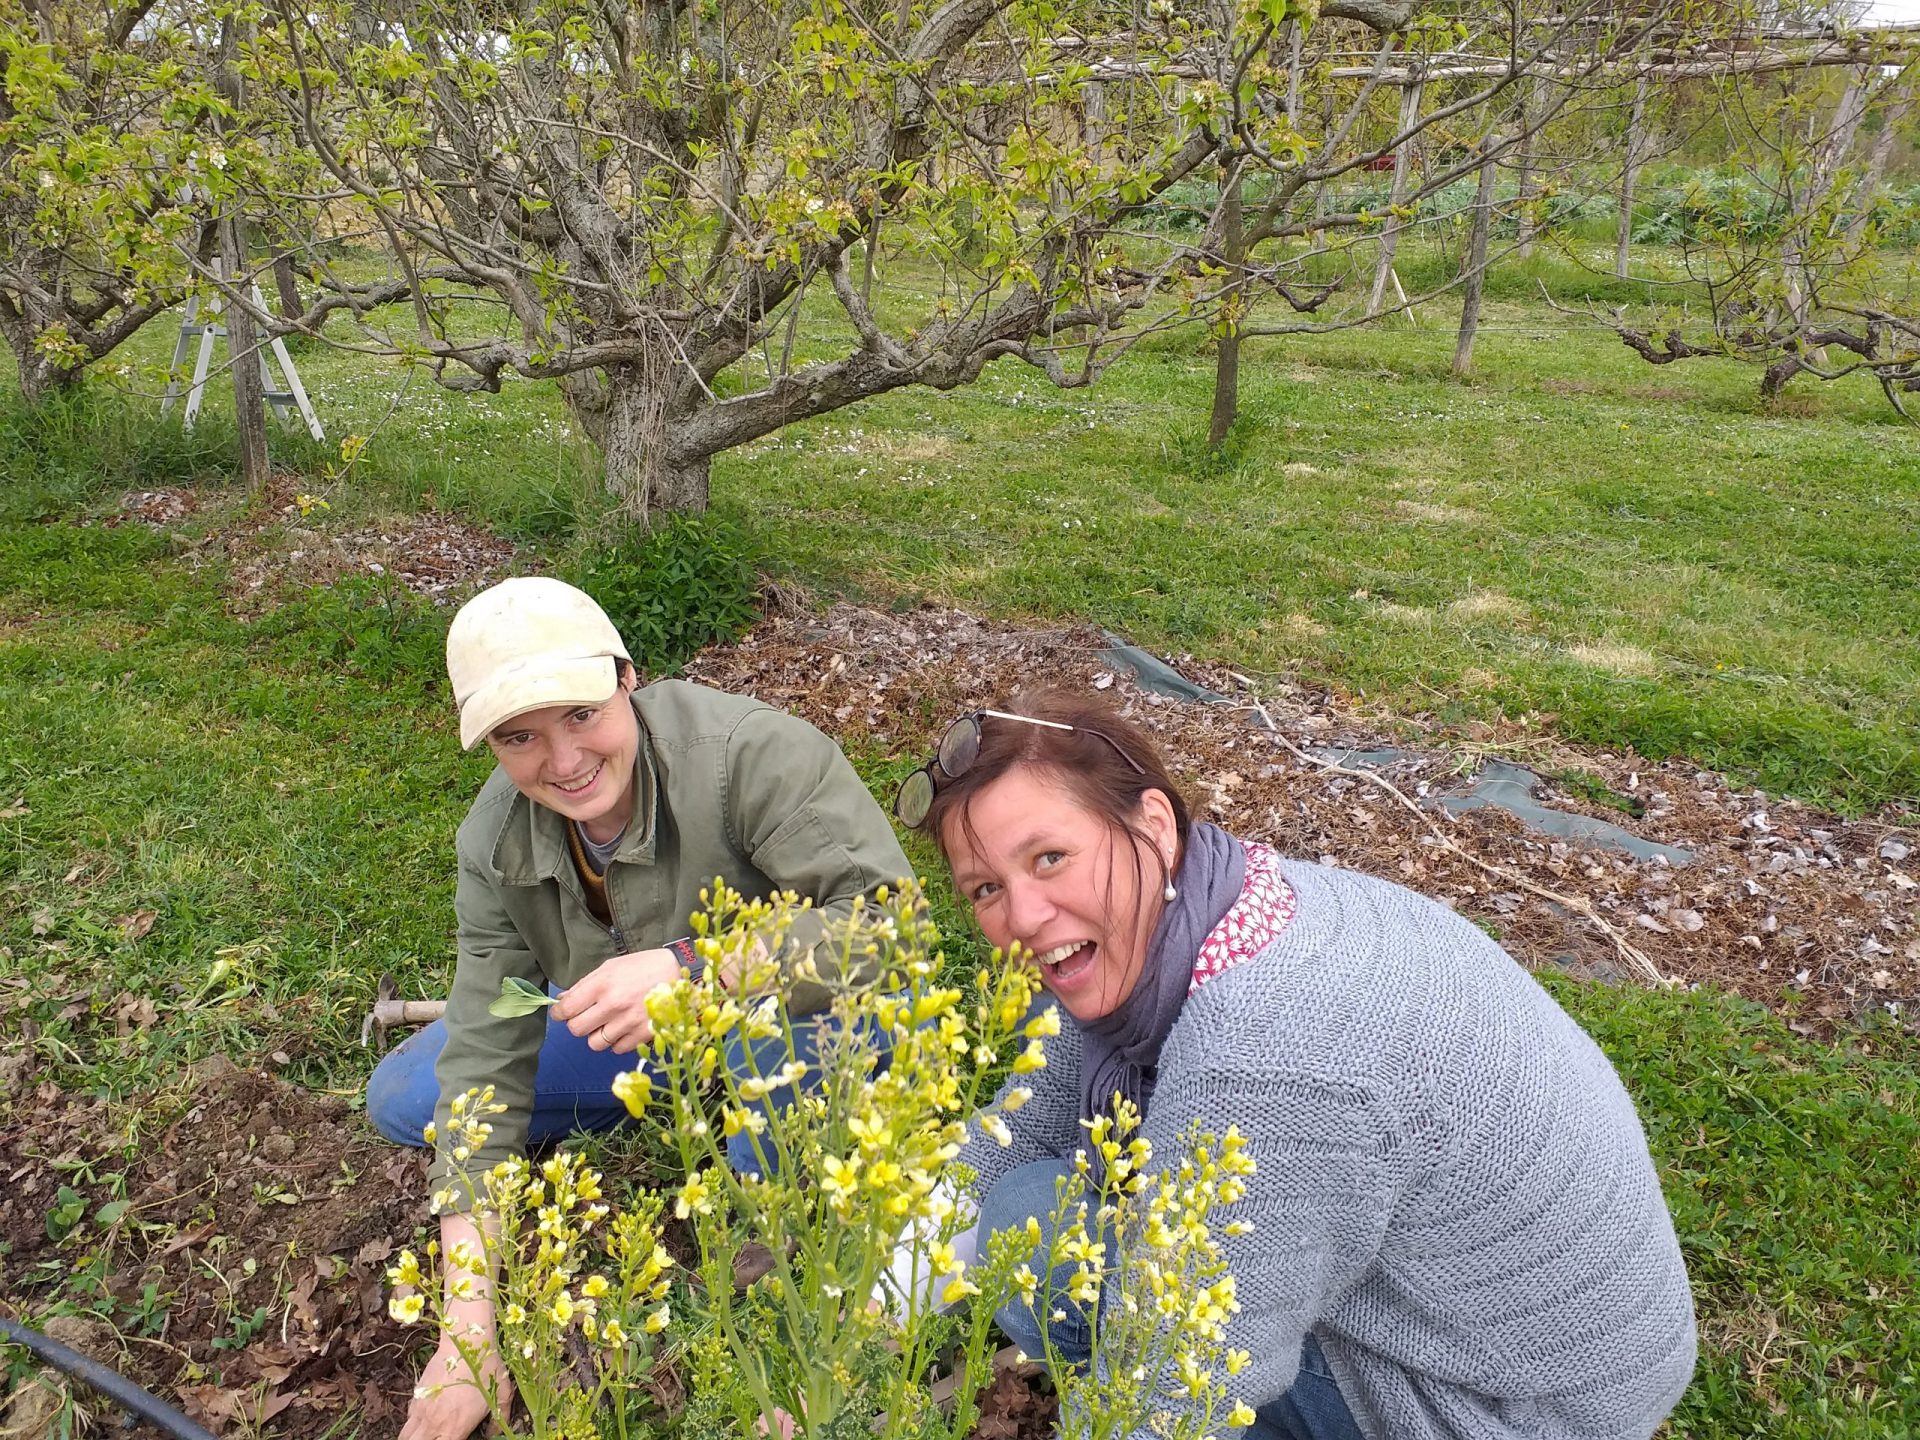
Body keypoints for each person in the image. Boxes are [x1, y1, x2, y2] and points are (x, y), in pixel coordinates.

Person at [900, 692, 1697, 1440]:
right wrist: (878, 1280)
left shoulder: (1261, 1059)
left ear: (1154, 825)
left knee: (1037, 1231)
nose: (1023, 916)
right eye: (986, 887)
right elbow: (1031, 1119)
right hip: (1541, 1338)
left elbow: (1178, 1393)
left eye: (1049, 858)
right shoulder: (1211, 904)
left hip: (1512, 1410)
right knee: (1034, 1204)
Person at [367, 576, 910, 1440]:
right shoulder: (495, 839)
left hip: (797, 1011)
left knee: (769, 1087)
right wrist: (467, 1337)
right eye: (519, 736)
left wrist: (698, 970)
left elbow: (888, 929)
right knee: (408, 1100)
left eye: (581, 714)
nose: (562, 761)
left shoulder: (751, 756)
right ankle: (681, 1099)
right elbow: (484, 1057)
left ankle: (775, 1256)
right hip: (639, 1026)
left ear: (627, 678)